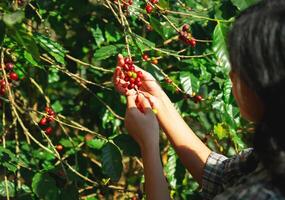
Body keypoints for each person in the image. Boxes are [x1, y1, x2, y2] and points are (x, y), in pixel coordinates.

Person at [113, 0, 285, 199]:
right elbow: (220, 175)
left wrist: (149, 145)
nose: (231, 75)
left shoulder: (260, 195)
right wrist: (159, 99)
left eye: (239, 65)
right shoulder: (271, 154)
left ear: (265, 80)